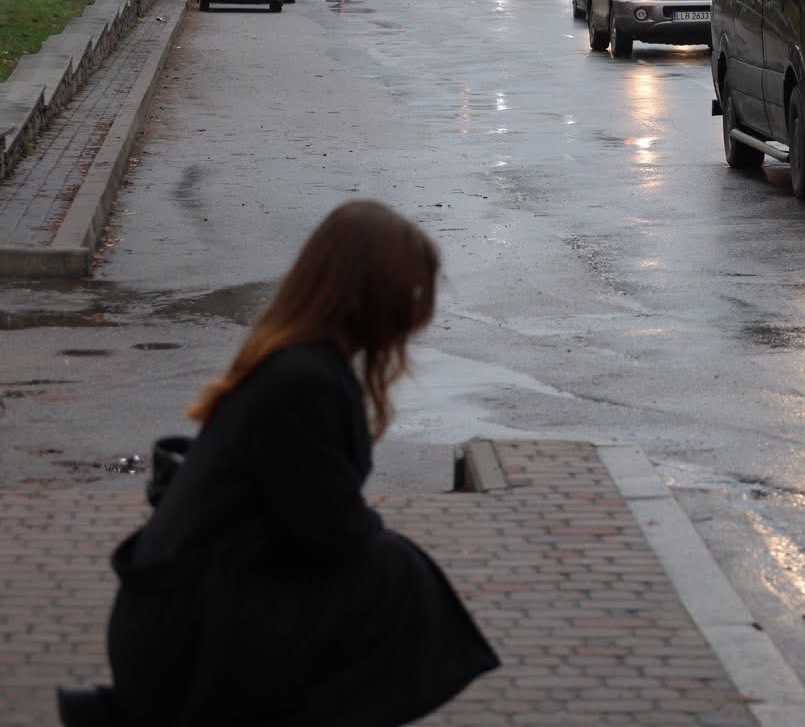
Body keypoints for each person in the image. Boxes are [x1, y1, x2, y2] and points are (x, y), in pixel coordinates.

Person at [60, 202, 499, 727]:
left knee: (390, 570)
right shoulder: (302, 380)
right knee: (392, 576)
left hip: (182, 609)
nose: (414, 314)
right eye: (407, 293)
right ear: (362, 293)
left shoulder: (300, 361)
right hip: (184, 632)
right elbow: (330, 527)